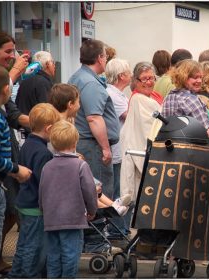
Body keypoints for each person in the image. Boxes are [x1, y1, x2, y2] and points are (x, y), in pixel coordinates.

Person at [48, 83, 130, 217]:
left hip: (67, 167)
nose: (80, 105)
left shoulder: (64, 121)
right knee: (90, 185)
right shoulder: (62, 124)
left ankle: (112, 206)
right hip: (67, 172)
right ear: (70, 104)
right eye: (78, 101)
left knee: (91, 183)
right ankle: (110, 207)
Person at [0, 31, 31, 275]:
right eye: (7, 51)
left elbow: (13, 113)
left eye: (13, 51)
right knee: (1, 212)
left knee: (10, 209)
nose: (11, 56)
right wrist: (15, 169)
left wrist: (40, 123)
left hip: (4, 159)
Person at [39, 120, 98, 278]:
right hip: (73, 218)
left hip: (51, 219)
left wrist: (43, 210)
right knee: (71, 254)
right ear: (74, 143)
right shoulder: (80, 165)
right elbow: (89, 190)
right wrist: (92, 210)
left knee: (53, 255)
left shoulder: (47, 166)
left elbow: (42, 191)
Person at [8, 103, 61, 278]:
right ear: (49, 128)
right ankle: (30, 275)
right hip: (35, 207)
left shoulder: (27, 145)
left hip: (24, 201)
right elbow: (44, 183)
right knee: (34, 246)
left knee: (23, 243)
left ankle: (16, 273)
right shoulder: (44, 153)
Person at [68, 39, 120, 200]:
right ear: (99, 58)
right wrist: (105, 148)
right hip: (93, 146)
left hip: (84, 142)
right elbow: (94, 118)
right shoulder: (91, 83)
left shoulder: (77, 77)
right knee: (98, 195)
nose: (106, 60)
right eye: (105, 57)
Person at [120, 62, 162, 215]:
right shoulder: (138, 99)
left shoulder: (154, 96)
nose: (149, 82)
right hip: (142, 149)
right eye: (144, 79)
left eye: (151, 78)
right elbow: (147, 128)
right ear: (135, 81)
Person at [105, 58, 132, 235]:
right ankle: (117, 230)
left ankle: (119, 228)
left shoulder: (116, 93)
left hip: (118, 149)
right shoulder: (114, 95)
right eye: (129, 73)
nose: (131, 76)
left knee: (118, 189)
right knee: (119, 190)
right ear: (122, 76)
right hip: (116, 151)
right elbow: (129, 117)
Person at [161, 59, 209, 130]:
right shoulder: (190, 99)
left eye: (201, 77)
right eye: (195, 77)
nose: (199, 81)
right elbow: (205, 130)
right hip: (192, 140)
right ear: (183, 77)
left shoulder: (169, 96)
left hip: (171, 139)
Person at [15, 51, 56, 116]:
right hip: (35, 123)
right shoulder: (43, 83)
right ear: (47, 64)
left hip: (22, 122)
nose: (54, 65)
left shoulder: (25, 81)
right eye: (53, 62)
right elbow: (46, 112)